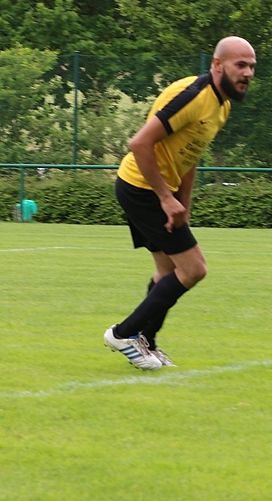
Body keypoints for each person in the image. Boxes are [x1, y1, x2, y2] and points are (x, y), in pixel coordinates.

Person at [103, 36, 256, 370]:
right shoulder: (194, 96)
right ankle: (123, 333)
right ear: (218, 65)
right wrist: (164, 197)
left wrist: (182, 203)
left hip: (154, 190)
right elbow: (139, 143)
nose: (248, 73)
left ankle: (146, 342)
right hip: (141, 187)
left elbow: (190, 155)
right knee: (194, 269)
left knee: (167, 272)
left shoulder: (222, 106)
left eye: (252, 67)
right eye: (240, 65)